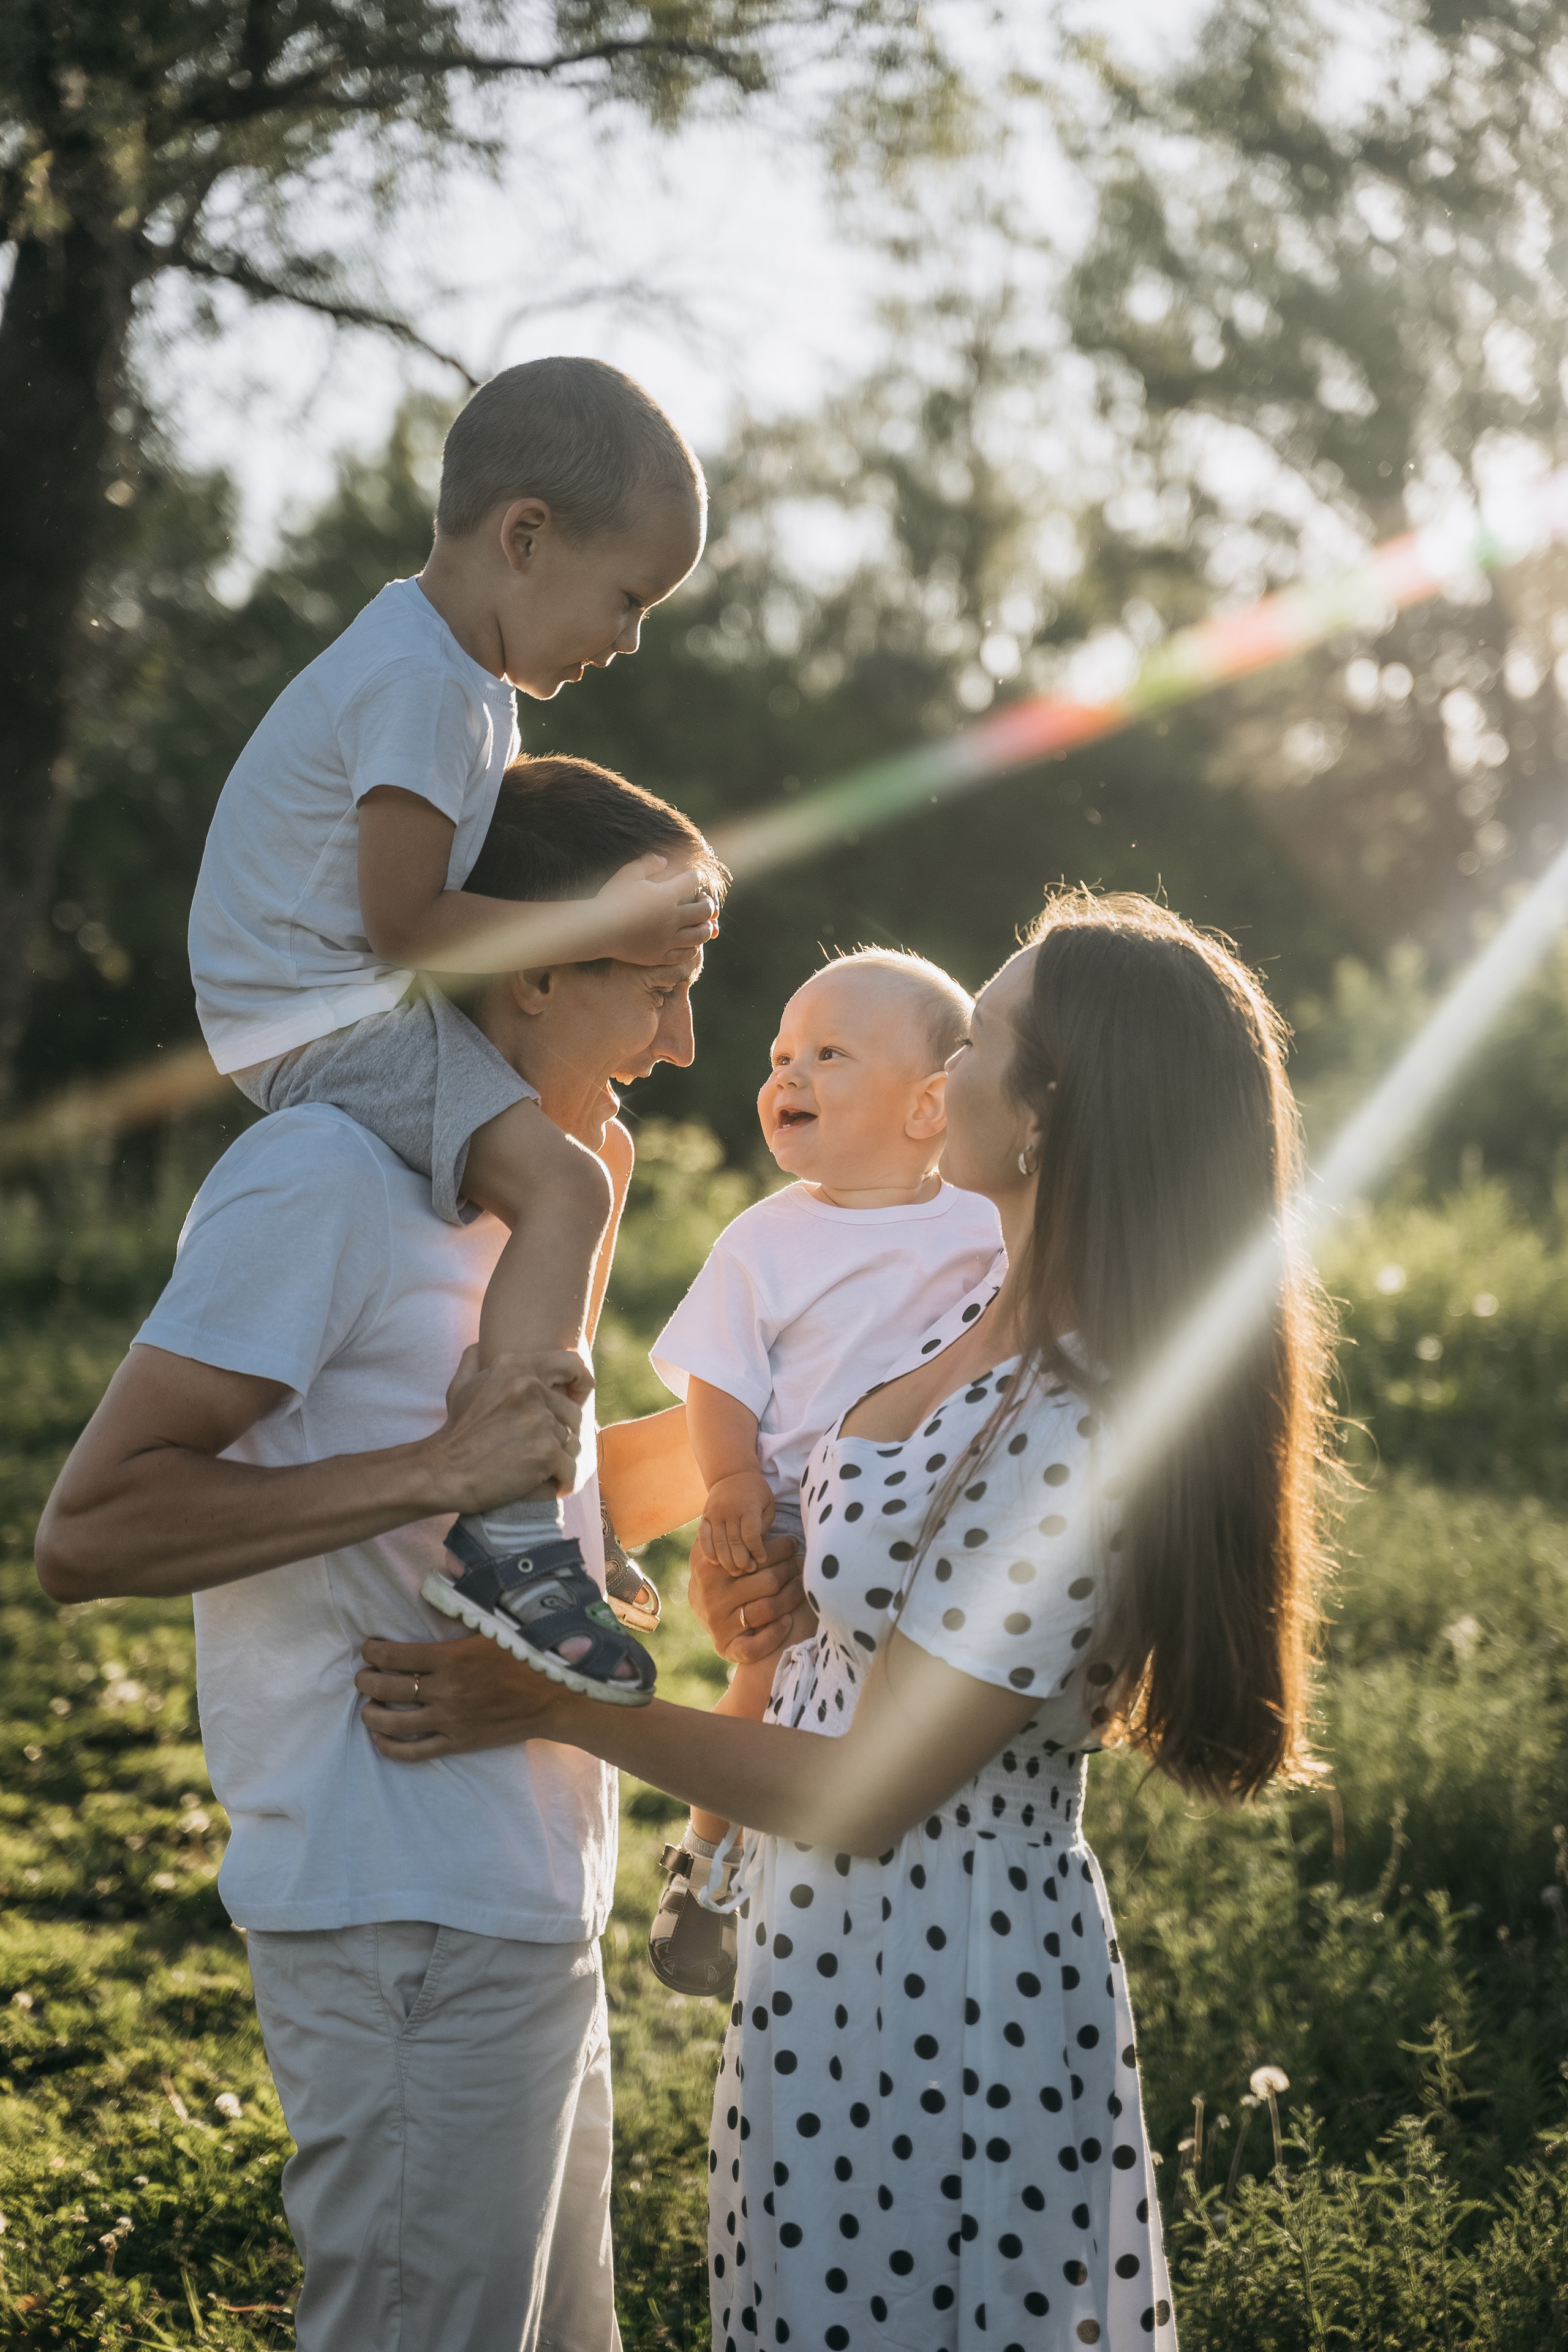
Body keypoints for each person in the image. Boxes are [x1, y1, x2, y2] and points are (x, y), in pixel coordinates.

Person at [358, 891, 1331, 2352]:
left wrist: (554, 1706)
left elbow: (872, 1792)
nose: (944, 1073)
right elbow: (771, 1482)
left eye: (983, 1036)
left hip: (951, 1979)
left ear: (1052, 1111)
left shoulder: (1081, 1421)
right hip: (829, 1952)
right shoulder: (975, 1307)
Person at [34, 763, 739, 2352]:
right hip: (399, 1905)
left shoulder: (523, 1207)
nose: (684, 1044)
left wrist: (770, 1452)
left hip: (526, 1891)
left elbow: (509, 1497)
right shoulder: (324, 1178)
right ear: (539, 967)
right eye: (666, 991)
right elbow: (93, 1527)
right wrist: (439, 1469)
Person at [187, 357, 717, 1691]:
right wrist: (602, 928)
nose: (631, 637)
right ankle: (512, 1533)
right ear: (524, 535)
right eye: (629, 597)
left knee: (587, 1146)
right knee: (566, 1185)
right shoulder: (425, 685)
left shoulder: (452, 678)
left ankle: (557, 1506)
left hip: (315, 1003)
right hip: (309, 1015)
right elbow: (409, 925)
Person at [644, 949, 1002, 1994]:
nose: (787, 1077)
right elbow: (720, 1378)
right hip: (801, 1512)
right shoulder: (767, 1238)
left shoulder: (984, 1223)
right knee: (765, 1670)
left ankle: (883, 1861)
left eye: (828, 1055)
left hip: (928, 1508)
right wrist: (729, 1487)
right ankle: (706, 1861)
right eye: (781, 1056)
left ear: (931, 1104)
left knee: (899, 1700)